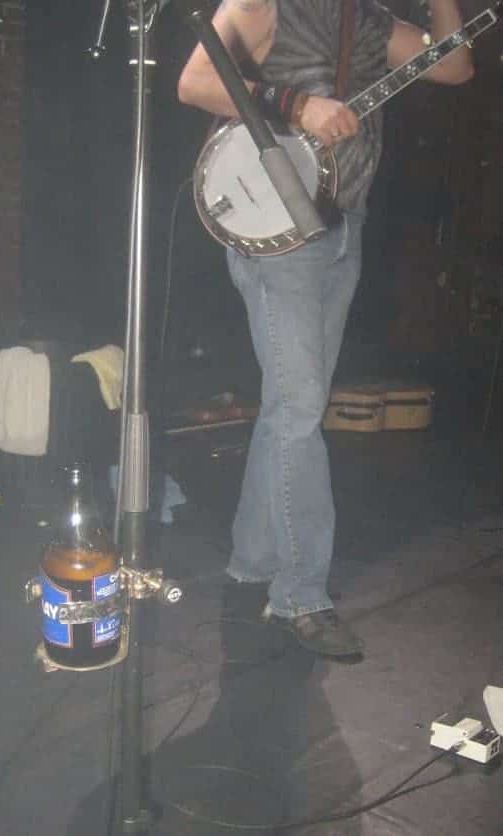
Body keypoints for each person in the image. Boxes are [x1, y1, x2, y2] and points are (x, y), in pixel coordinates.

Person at [178, 0, 473, 658]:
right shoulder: (263, 4)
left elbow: (454, 65)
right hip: (275, 231)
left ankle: (252, 560)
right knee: (302, 411)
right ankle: (301, 596)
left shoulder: (365, 17)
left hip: (343, 226)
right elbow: (194, 81)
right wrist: (297, 105)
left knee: (291, 406)